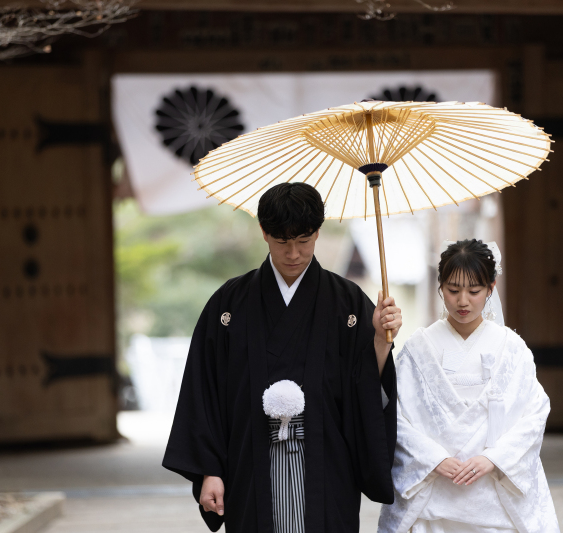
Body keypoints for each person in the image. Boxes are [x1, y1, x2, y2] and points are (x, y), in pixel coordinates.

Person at [163, 182, 402, 533]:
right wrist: (210, 470)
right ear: (263, 232)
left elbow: (366, 387)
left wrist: (381, 341)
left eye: (304, 241)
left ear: (318, 232)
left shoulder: (348, 304)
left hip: (326, 464)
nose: (293, 253)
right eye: (282, 242)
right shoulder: (229, 305)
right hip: (250, 462)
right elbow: (204, 393)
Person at [378, 239, 559, 533]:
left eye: (474, 291)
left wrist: (493, 458)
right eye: (453, 290)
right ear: (440, 287)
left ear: (491, 287)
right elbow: (396, 416)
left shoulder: (511, 349)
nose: (463, 301)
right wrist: (434, 459)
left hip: (494, 493)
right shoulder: (418, 349)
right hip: (434, 491)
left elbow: (534, 413)